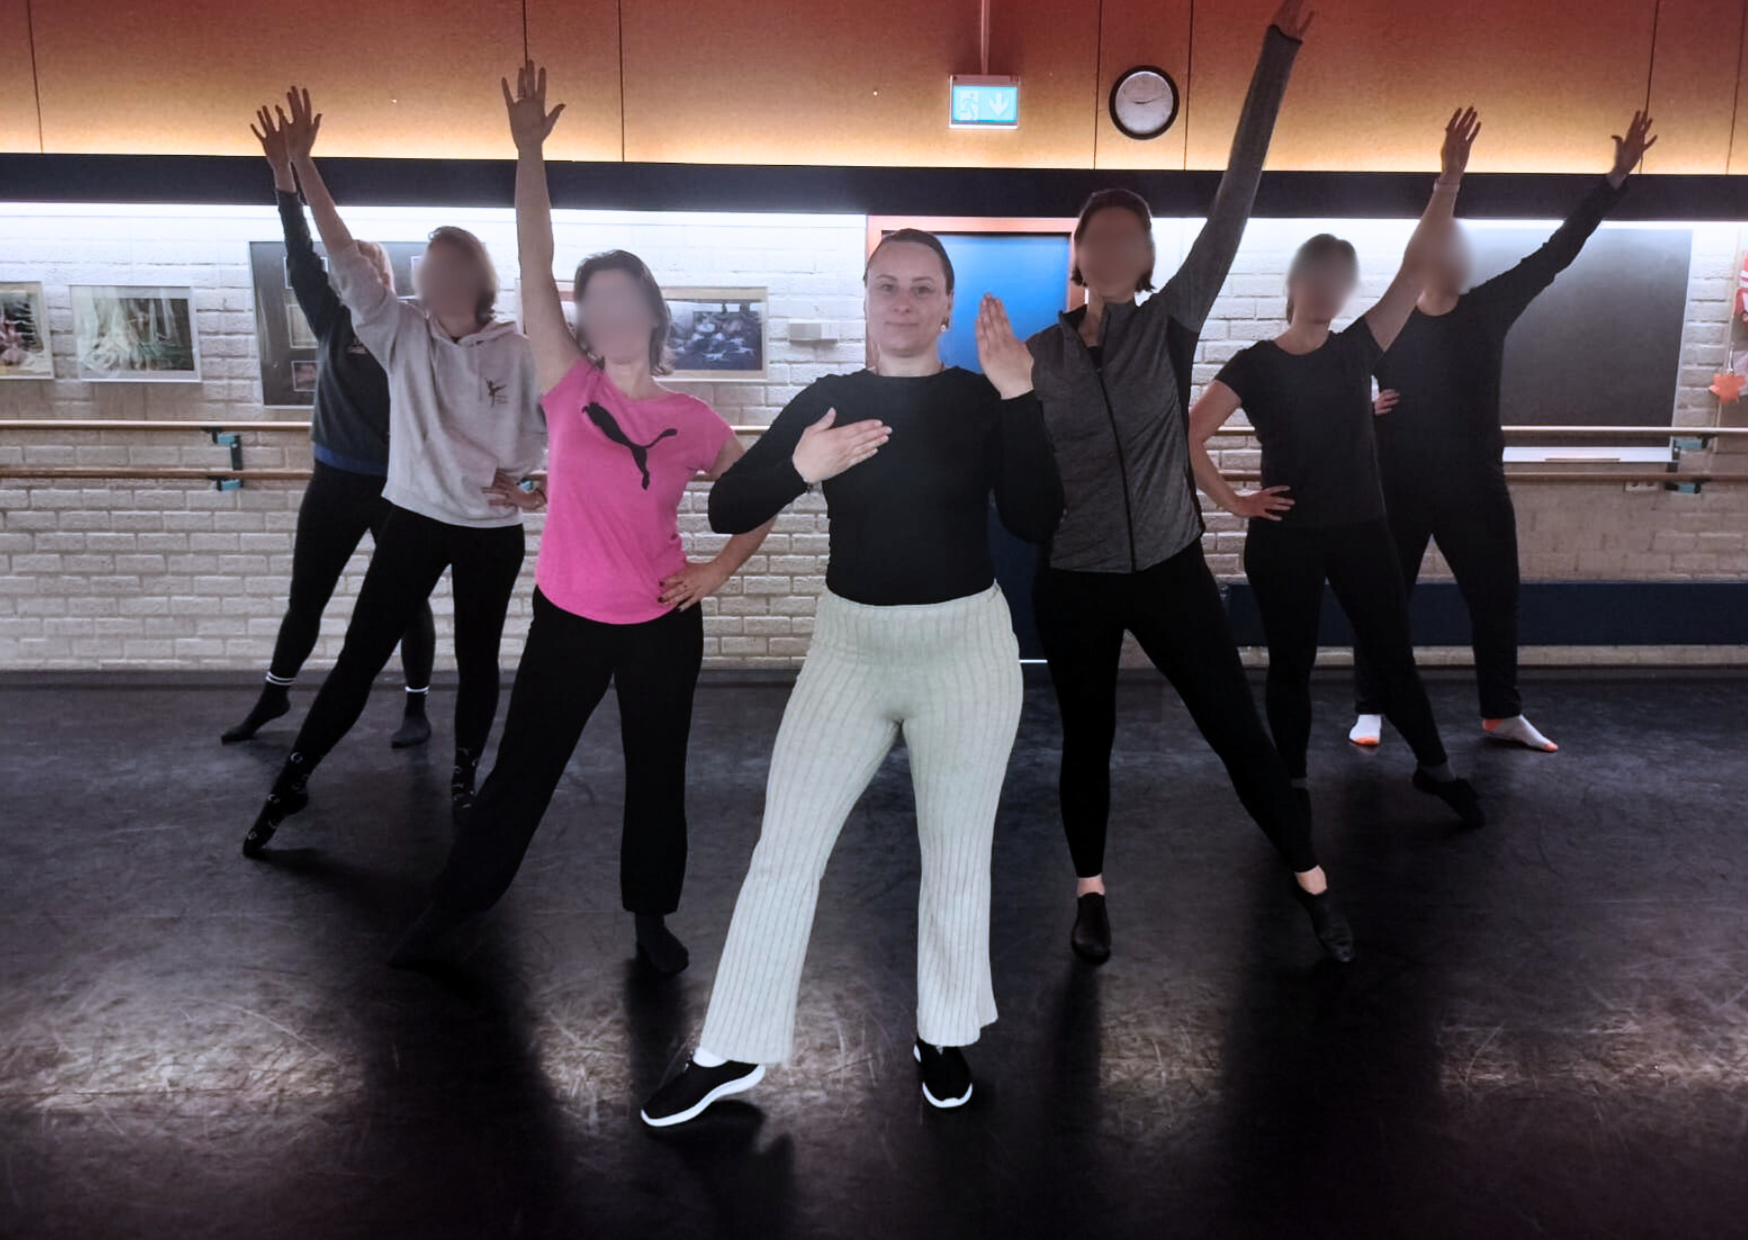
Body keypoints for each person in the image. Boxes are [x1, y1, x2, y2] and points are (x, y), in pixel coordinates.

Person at [639, 230, 1063, 1125]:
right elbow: (726, 505)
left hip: (965, 651)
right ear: (865, 299)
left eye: (922, 288)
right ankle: (733, 1047)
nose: (903, 302)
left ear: (947, 306)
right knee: (786, 844)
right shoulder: (827, 401)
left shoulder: (983, 398)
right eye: (887, 286)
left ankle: (944, 1033)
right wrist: (802, 467)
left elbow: (1035, 518)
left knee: (957, 853)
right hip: (850, 650)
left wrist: (1020, 393)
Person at [388, 63, 774, 973]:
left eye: (626, 299)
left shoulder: (695, 419)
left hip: (662, 623)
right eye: (596, 303)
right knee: (523, 772)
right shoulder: (568, 385)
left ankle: (651, 919)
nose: (612, 313)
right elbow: (533, 263)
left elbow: (760, 492)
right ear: (584, 323)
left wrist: (718, 569)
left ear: (652, 313)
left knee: (657, 776)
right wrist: (529, 153)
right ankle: (451, 906)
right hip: (568, 620)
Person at [1024, 0, 1351, 968]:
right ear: (1079, 255)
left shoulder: (1170, 324)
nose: (1113, 249)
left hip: (1169, 569)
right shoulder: (1038, 356)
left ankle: (1311, 881)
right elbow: (1002, 454)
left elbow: (1236, 194)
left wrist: (1278, 50)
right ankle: (1090, 895)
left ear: (1149, 259)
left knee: (1237, 733)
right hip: (1075, 580)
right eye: (1097, 238)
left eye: (1129, 238)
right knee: (1087, 741)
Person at [240, 87, 546, 857]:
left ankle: (466, 773)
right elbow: (340, 259)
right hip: (412, 518)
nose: (435, 283)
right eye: (427, 271)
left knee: (479, 660)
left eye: (450, 272)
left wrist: (532, 489)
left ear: (476, 281)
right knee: (357, 657)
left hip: (490, 533)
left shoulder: (518, 351)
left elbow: (565, 444)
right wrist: (302, 168)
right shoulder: (399, 331)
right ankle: (292, 777)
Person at [1187, 108, 1487, 830]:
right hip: (1285, 536)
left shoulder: (1357, 350)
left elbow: (1415, 269)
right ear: (1296, 285)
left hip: (1361, 532)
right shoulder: (1255, 363)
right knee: (1290, 665)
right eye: (1317, 279)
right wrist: (1235, 501)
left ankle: (1434, 768)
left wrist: (1447, 181)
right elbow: (1189, 434)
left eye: (1339, 282)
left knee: (1392, 656)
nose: (1327, 292)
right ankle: (1291, 783)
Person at [1349, 111, 1659, 753]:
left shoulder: (1488, 308)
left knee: (1497, 597)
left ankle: (1501, 713)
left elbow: (1557, 253)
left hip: (1475, 487)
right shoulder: (1386, 323)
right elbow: (1323, 381)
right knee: (1384, 599)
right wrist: (1362, 410)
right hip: (1399, 487)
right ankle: (1370, 707)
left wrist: (1614, 181)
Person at [222, 104, 436, 749]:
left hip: (401, 491)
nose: (360, 284)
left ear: (387, 281)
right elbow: (300, 256)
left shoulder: (413, 330)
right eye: (351, 276)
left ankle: (417, 708)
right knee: (306, 598)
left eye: (371, 274)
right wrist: (284, 178)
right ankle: (274, 695)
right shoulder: (333, 320)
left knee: (407, 604)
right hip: (335, 484)